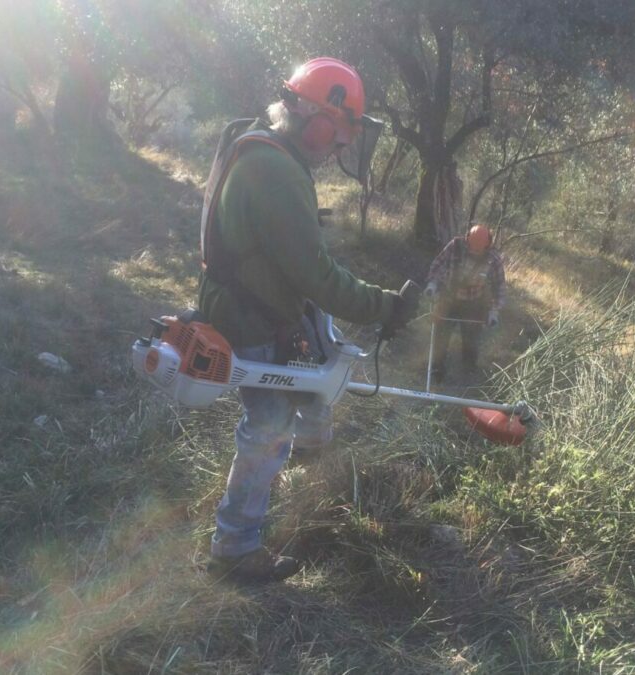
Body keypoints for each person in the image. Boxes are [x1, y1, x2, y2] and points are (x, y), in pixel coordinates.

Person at [197, 57, 418, 583]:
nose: (341, 147)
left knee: (323, 353)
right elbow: (316, 276)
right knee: (268, 426)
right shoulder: (273, 169)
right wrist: (385, 305)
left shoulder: (264, 145)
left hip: (261, 300)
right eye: (340, 135)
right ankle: (235, 548)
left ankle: (313, 454)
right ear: (316, 116)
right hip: (250, 315)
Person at [424, 224, 505, 380]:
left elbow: (499, 287)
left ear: (487, 244)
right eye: (472, 245)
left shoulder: (493, 259)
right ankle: (436, 370)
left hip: (473, 304)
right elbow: (438, 264)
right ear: (467, 239)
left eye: (478, 247)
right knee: (441, 336)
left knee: (471, 340)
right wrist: (433, 284)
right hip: (448, 299)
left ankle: (467, 372)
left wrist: (494, 311)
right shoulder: (455, 246)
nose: (474, 250)